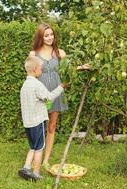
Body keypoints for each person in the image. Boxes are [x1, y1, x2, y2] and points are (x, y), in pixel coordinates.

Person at [29, 23, 90, 169]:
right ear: (40, 37)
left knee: (51, 126)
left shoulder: (59, 52)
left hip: (55, 93)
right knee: (39, 127)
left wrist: (82, 67)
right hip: (41, 94)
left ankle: (45, 160)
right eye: (46, 35)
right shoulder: (34, 54)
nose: (50, 37)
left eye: (51, 34)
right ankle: (36, 157)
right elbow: (31, 74)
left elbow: (69, 68)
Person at [18, 56, 65, 181]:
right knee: (39, 148)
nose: (42, 71)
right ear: (35, 69)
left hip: (28, 123)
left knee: (32, 146)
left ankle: (26, 167)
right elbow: (49, 97)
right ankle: (36, 173)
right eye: (41, 69)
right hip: (37, 122)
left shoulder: (25, 85)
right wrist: (61, 87)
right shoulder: (37, 84)